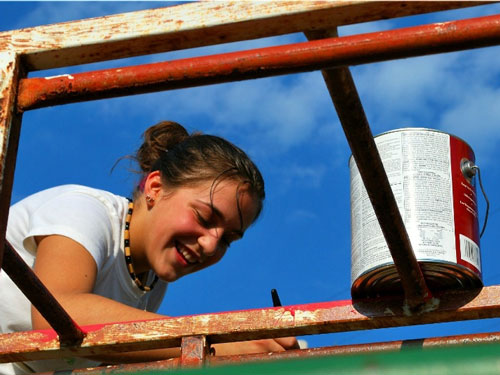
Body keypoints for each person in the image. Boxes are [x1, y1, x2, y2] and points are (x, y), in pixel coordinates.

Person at [0, 121, 298, 374]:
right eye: (204, 217)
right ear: (155, 188)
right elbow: (57, 313)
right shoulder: (85, 210)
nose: (210, 245)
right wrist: (220, 343)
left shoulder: (152, 284)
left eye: (227, 240)